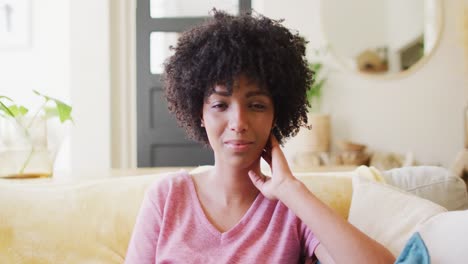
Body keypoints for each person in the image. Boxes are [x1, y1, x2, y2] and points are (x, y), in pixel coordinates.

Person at [126, 10, 395, 264]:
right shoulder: (167, 197)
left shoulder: (292, 208)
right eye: (220, 105)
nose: (239, 122)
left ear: (275, 115)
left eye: (256, 105)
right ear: (200, 113)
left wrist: (291, 190)